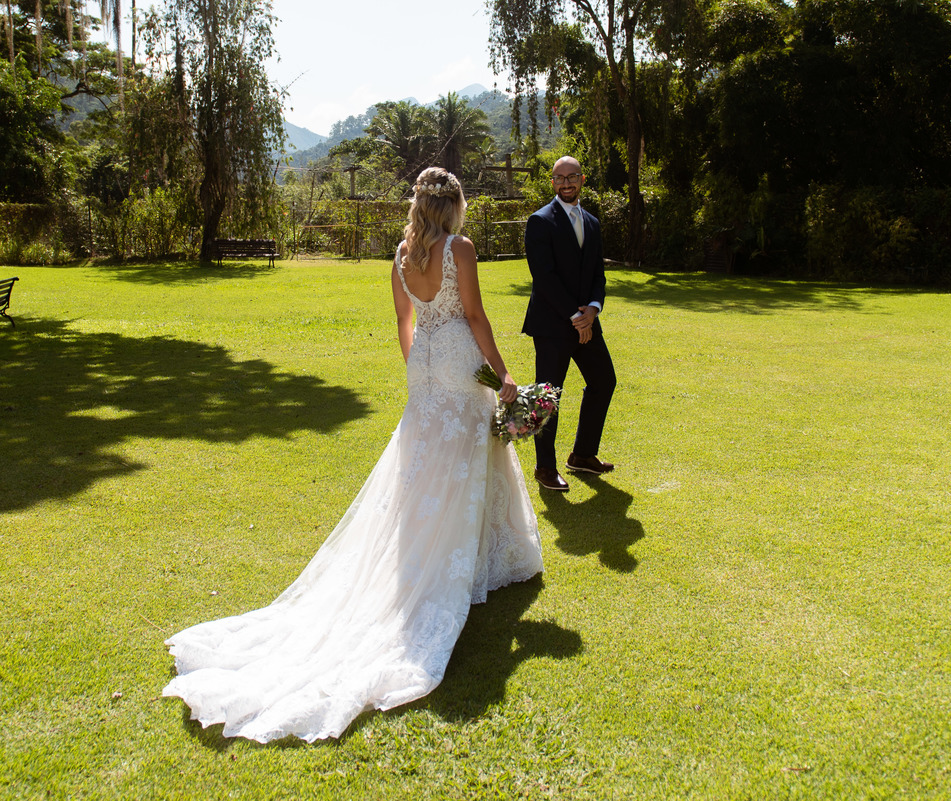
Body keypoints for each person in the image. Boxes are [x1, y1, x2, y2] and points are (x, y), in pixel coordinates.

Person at [162, 167, 543, 743]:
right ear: (453, 206)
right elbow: (475, 316)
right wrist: (506, 373)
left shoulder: (401, 254)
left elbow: (404, 321)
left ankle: (470, 554)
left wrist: (420, 370)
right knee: (465, 455)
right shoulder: (458, 248)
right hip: (459, 362)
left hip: (424, 366)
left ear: (420, 204)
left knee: (425, 464)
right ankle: (470, 561)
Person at [522, 156, 618, 492]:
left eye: (572, 176)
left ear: (582, 179)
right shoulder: (539, 222)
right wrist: (578, 318)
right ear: (552, 182)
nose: (566, 183)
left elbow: (597, 274)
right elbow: (544, 278)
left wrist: (592, 308)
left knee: (604, 380)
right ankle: (545, 467)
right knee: (548, 395)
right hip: (552, 324)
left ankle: (582, 455)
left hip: (587, 321)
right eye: (560, 178)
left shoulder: (591, 222)